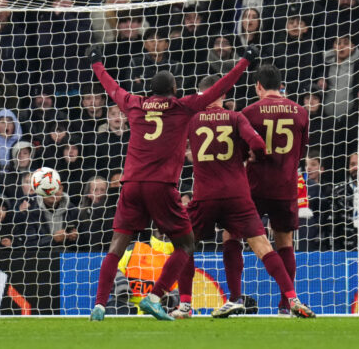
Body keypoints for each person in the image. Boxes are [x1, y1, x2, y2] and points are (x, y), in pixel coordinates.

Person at [87, 38, 258, 321]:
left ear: (151, 90)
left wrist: (96, 62)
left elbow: (111, 87)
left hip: (130, 185)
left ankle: (100, 305)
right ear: (174, 90)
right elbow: (219, 88)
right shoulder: (183, 107)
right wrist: (245, 62)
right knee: (186, 243)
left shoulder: (135, 104)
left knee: (117, 245)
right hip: (161, 187)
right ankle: (155, 297)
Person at [172, 75, 314, 319]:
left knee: (185, 245)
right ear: (224, 94)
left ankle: (189, 304)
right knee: (267, 245)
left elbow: (172, 146)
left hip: (207, 195)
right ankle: (290, 300)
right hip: (245, 193)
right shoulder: (238, 116)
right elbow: (259, 145)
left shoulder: (193, 119)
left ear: (200, 94)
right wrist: (247, 156)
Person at [242, 64, 309, 314]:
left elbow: (242, 151)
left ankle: (236, 296)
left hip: (255, 185)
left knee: (238, 236)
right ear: (281, 86)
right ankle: (285, 304)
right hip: (285, 185)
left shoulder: (249, 112)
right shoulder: (301, 112)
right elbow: (301, 152)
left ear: (258, 86)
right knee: (285, 243)